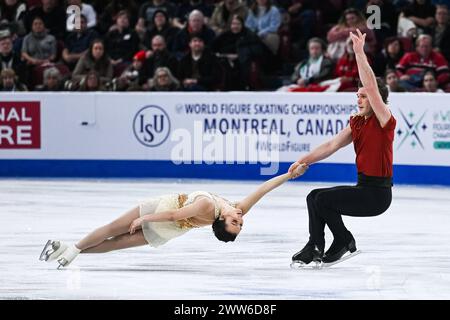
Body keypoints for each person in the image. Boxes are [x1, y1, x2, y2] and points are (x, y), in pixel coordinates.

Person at [39, 165, 309, 269]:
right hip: (171, 227)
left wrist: (143, 219)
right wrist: (289, 175)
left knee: (116, 235)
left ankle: (72, 249)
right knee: (116, 239)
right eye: (241, 222)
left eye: (235, 223)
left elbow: (173, 213)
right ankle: (70, 250)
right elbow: (264, 189)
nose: (240, 218)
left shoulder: (205, 206)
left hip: (163, 214)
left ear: (222, 222)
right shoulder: (236, 206)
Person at [289, 29, 396, 266]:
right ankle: (317, 245)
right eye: (357, 95)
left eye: (364, 96)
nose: (358, 99)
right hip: (363, 189)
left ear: (376, 99)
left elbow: (370, 84)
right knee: (314, 196)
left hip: (377, 195)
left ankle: (342, 239)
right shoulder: (357, 122)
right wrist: (302, 161)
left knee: (322, 200)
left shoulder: (384, 121)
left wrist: (359, 53)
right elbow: (331, 145)